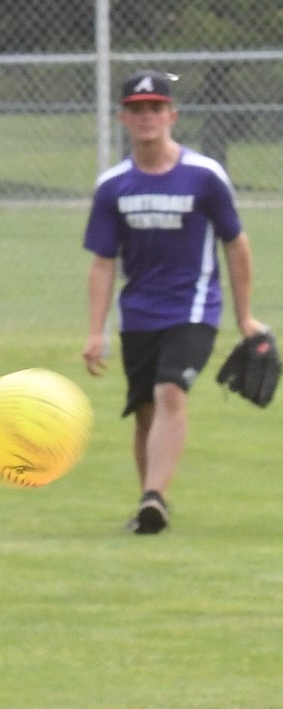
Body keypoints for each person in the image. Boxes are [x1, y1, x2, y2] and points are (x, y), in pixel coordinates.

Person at [82, 69, 266, 534]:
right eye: (138, 110)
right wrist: (95, 330)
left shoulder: (203, 177)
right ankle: (151, 512)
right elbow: (103, 262)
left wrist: (244, 317)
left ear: (172, 115)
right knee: (144, 409)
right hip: (138, 312)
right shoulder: (114, 186)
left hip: (194, 307)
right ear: (123, 118)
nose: (147, 118)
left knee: (169, 391)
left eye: (156, 108)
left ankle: (154, 496)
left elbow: (236, 244)